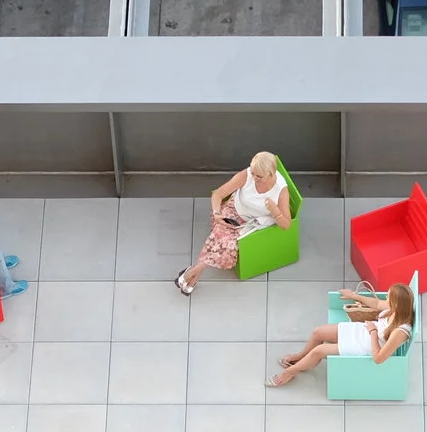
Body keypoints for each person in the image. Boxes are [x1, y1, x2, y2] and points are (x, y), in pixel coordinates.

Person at [174, 152, 293, 295]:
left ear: (271, 173)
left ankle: (193, 272)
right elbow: (218, 194)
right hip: (234, 210)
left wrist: (275, 211)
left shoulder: (281, 190)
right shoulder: (247, 174)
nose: (254, 178)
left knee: (225, 244)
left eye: (259, 176)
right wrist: (217, 214)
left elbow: (286, 225)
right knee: (220, 234)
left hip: (251, 224)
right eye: (253, 173)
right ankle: (194, 275)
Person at [271, 284, 413, 389]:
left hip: (365, 345)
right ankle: (300, 356)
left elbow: (379, 358)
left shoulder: (400, 331)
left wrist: (373, 332)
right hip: (363, 332)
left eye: (389, 297)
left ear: (396, 303)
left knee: (318, 351)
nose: (386, 298)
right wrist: (353, 295)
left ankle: (289, 372)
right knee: (318, 332)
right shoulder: (395, 309)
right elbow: (376, 303)